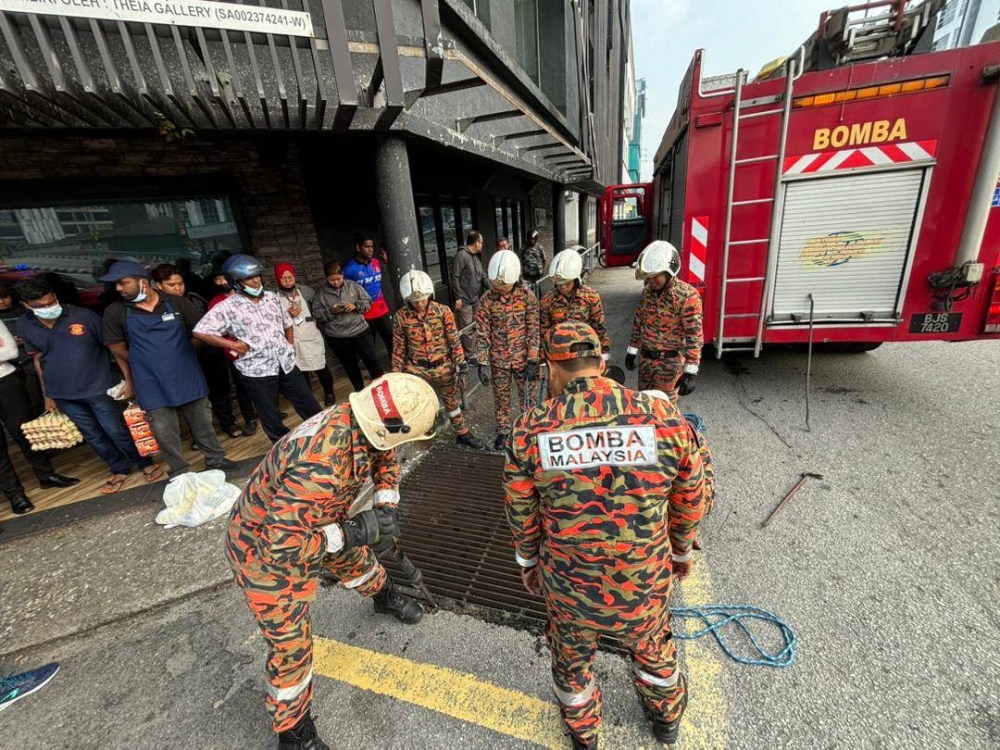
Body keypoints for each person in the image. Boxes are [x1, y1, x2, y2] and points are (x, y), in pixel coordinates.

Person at [504, 321, 706, 749]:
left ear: (551, 369)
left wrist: (528, 562)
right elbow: (691, 497)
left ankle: (584, 736)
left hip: (569, 586)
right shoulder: (663, 419)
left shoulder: (529, 430)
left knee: (571, 663)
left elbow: (521, 511)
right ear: (601, 363)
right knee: (653, 650)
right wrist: (682, 552)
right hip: (644, 581)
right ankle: (666, 720)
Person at [226, 373, 434, 750]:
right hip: (262, 549)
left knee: (359, 563)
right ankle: (295, 737)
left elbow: (385, 454)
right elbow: (281, 549)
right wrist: (350, 532)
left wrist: (385, 505)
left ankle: (385, 597)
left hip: (316, 520)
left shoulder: (365, 420)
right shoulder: (319, 465)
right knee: (291, 649)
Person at [16, 277, 163, 495]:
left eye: (50, 302)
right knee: (93, 435)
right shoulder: (24, 324)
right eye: (40, 306)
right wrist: (47, 394)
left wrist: (129, 381)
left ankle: (144, 463)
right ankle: (119, 468)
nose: (47, 308)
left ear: (55, 297)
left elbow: (115, 348)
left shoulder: (84, 316)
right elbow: (38, 360)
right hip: (63, 393)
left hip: (99, 387)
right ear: (26, 305)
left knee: (115, 430)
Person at [100, 260, 239, 477]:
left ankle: (216, 459)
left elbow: (201, 331)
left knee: (202, 422)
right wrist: (146, 360)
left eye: (122, 283)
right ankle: (179, 471)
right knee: (164, 431)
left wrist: (184, 351)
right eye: (116, 284)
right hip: (150, 381)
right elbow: (116, 347)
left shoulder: (176, 303)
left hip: (187, 374)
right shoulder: (115, 311)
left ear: (142, 282)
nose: (118, 288)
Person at [194, 255, 322, 444]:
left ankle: (323, 434)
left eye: (257, 276)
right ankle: (284, 448)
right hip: (257, 371)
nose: (255, 281)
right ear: (236, 282)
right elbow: (201, 331)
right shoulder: (227, 307)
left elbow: (287, 323)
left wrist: (289, 346)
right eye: (249, 278)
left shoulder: (271, 297)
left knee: (308, 403)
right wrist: (233, 345)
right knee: (270, 415)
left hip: (285, 363)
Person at [151, 263, 250, 440]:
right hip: (179, 360)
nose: (177, 288)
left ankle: (228, 423)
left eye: (180, 283)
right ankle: (199, 436)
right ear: (159, 285)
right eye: (171, 285)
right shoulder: (154, 308)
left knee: (219, 390)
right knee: (189, 398)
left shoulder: (196, 299)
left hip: (208, 354)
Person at [392, 270, 485, 450]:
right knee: (418, 403)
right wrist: (396, 374)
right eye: (415, 300)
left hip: (443, 366)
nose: (420, 303)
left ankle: (462, 433)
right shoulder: (401, 317)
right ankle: (424, 435)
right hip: (416, 369)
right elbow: (398, 348)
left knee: (451, 402)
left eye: (423, 298)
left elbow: (453, 339)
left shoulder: (443, 311)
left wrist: (461, 361)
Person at [0, 322, 79, 515]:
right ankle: (15, 494)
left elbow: (10, 351)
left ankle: (46, 475)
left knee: (25, 431)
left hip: (6, 381)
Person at [475, 250, 540, 452]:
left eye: (504, 285)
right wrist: (482, 362)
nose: (500, 289)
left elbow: (533, 328)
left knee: (528, 396)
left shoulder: (527, 297)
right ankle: (503, 431)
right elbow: (482, 331)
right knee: (501, 398)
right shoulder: (487, 299)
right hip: (499, 360)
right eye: (497, 285)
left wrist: (533, 359)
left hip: (523, 358)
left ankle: (529, 430)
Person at [625, 241, 703, 401]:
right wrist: (632, 351)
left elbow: (694, 336)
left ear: (668, 271)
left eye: (654, 277)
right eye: (648, 278)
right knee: (645, 405)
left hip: (669, 366)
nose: (650, 281)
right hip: (646, 363)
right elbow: (638, 322)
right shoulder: (647, 292)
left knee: (665, 413)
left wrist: (691, 370)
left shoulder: (687, 296)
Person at [313, 261, 384, 392]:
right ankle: (360, 392)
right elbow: (316, 313)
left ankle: (383, 390)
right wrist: (331, 311)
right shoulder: (320, 294)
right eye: (331, 280)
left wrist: (355, 306)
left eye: (338, 279)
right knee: (350, 367)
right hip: (337, 337)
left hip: (360, 331)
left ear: (343, 275)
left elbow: (368, 302)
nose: (335, 282)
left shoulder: (353, 286)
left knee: (372, 361)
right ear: (326, 278)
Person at [205, 268, 259, 436]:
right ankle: (250, 419)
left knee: (263, 382)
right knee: (242, 385)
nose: (223, 283)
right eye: (218, 280)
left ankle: (271, 411)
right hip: (235, 349)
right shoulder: (215, 302)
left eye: (225, 279)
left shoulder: (245, 295)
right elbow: (215, 330)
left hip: (257, 346)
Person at [274, 263, 336, 407]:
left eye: (290, 277)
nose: (288, 280)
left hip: (310, 334)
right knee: (301, 370)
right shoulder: (273, 297)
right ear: (277, 280)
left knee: (321, 366)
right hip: (292, 338)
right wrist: (287, 315)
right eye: (283, 278)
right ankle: (309, 398)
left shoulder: (306, 291)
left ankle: (329, 393)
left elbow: (318, 310)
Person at [540, 249, 612, 361]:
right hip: (559, 358)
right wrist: (544, 359)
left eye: (567, 283)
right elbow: (544, 333)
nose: (562, 286)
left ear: (575, 279)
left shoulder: (590, 296)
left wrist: (605, 355)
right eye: (559, 284)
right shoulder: (547, 301)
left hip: (586, 355)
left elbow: (599, 327)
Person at [342, 233, 393, 361]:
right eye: (366, 246)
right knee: (369, 348)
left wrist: (386, 262)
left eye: (372, 246)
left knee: (392, 341)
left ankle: (397, 369)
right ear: (358, 248)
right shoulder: (349, 269)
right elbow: (344, 291)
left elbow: (382, 277)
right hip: (365, 313)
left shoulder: (376, 262)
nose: (370, 249)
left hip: (382, 309)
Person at [0, 281, 44, 414]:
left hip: (32, 361)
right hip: (12, 368)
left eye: (4, 297)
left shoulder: (25, 313)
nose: (1, 301)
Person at [450, 230, 490, 366]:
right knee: (467, 329)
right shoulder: (461, 256)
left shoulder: (475, 257)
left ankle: (474, 351)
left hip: (475, 298)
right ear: (476, 242)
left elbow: (483, 276)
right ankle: (469, 356)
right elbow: (454, 277)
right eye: (481, 242)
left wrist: (493, 290)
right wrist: (458, 297)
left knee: (475, 326)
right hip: (465, 300)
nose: (482, 245)